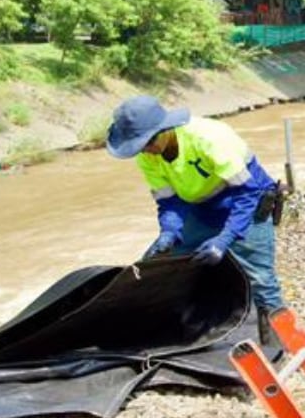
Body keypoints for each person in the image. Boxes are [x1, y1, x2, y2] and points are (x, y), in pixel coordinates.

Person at [110, 96, 287, 320]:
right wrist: (169, 231)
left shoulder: (208, 138)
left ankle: (281, 339)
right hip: (202, 208)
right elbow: (169, 201)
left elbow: (247, 191)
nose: (146, 150)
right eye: (139, 147)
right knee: (161, 265)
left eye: (148, 143)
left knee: (261, 281)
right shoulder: (148, 157)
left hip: (246, 203)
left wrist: (226, 238)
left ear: (164, 129)